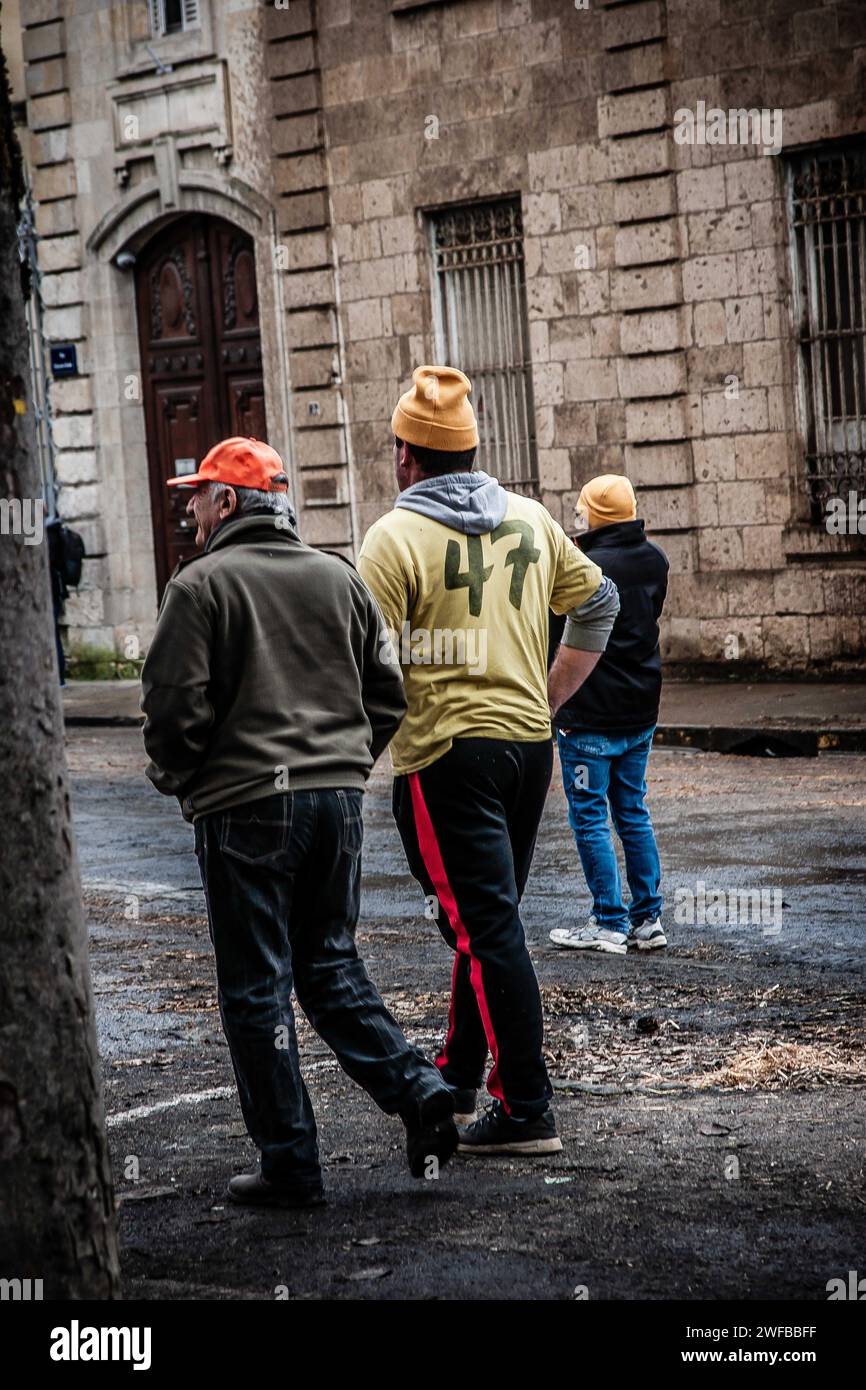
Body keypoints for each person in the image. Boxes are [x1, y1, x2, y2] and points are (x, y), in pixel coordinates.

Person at [141, 436, 458, 1209]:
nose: (191, 509)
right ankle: (420, 1091)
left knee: (256, 987)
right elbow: (385, 695)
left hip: (246, 805)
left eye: (200, 495)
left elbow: (172, 712)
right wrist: (345, 767)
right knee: (329, 963)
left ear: (228, 505)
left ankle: (290, 1162)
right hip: (334, 803)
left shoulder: (200, 585)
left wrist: (186, 781)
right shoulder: (338, 579)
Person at [358, 367, 619, 1157]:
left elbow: (368, 663)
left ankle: (527, 1105)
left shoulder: (393, 537)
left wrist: (355, 758)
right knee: (486, 919)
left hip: (444, 754)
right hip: (527, 749)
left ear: (406, 456)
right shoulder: (535, 520)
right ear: (473, 449)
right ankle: (462, 1071)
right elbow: (600, 600)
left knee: (483, 926)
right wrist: (550, 693)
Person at [548, 474, 669, 956]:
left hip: (590, 714)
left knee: (591, 815)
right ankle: (648, 919)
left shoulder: (585, 566)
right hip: (640, 710)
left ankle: (608, 921)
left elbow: (560, 630)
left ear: (591, 516)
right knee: (633, 811)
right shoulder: (655, 560)